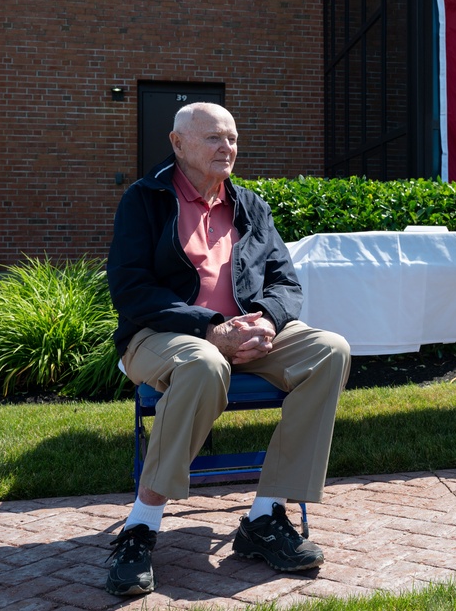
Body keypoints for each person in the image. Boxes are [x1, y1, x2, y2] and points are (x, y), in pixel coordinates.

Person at [104, 102, 350, 596]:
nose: (227, 147)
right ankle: (141, 527)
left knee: (330, 348)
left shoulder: (250, 205)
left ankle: (265, 517)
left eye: (232, 138)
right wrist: (211, 327)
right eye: (214, 138)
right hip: (159, 336)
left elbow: (285, 282)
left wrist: (267, 321)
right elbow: (130, 289)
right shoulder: (145, 200)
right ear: (178, 144)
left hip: (243, 334)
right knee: (203, 362)